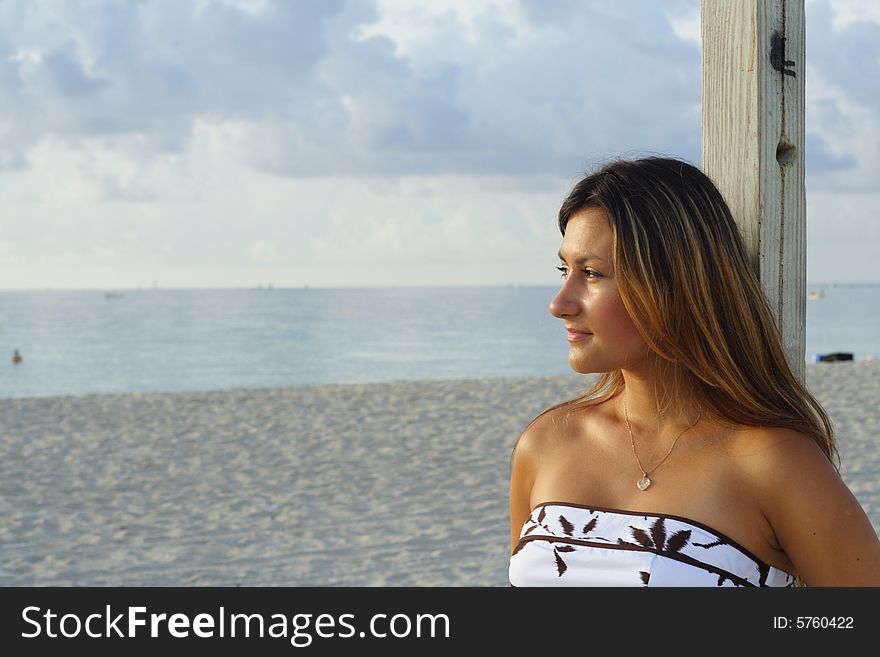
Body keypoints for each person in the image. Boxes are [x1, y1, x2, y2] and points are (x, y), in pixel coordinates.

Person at [508, 156, 880, 587]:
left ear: (674, 283)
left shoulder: (774, 462)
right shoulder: (546, 442)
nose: (559, 303)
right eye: (564, 270)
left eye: (591, 274)